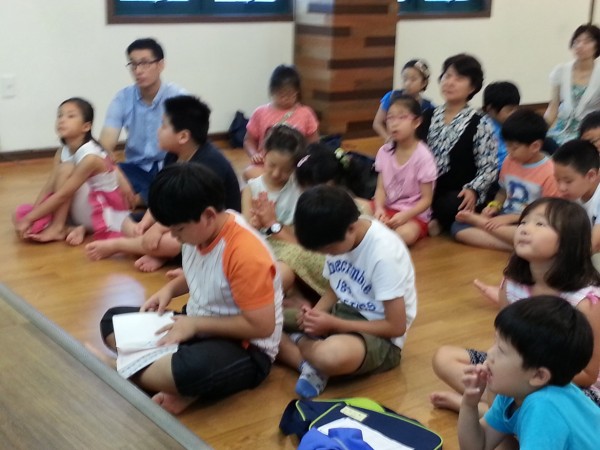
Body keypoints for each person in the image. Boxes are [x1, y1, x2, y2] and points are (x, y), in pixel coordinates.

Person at [95, 163, 283, 414]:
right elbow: (207, 273)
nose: (175, 236)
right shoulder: (199, 232)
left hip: (246, 347)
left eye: (178, 229)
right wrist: (170, 290)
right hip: (197, 324)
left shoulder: (245, 253)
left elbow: (262, 326)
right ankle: (173, 384)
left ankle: (118, 369)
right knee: (112, 320)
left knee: (190, 370)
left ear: (208, 216)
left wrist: (195, 325)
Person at [431, 198, 600, 412]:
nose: (525, 229)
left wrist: (522, 377)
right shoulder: (512, 283)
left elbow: (588, 374)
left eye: (540, 224)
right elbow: (503, 338)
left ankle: (480, 409)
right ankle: (494, 410)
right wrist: (499, 369)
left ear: (569, 240)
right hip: (516, 368)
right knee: (444, 358)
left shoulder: (586, 301)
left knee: (544, 406)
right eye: (523, 222)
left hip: (563, 383)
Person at [277, 185, 417, 398]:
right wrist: (315, 313)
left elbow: (396, 326)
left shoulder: (384, 254)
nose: (327, 254)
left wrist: (334, 324)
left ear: (351, 228)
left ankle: (301, 346)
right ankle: (310, 365)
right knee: (266, 320)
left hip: (379, 338)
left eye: (329, 250)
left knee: (330, 356)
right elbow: (336, 286)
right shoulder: (335, 234)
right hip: (340, 314)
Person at [86, 95, 241, 272]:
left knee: (172, 242)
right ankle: (157, 252)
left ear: (183, 136)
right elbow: (162, 199)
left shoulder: (208, 164)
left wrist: (159, 229)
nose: (158, 131)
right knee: (128, 222)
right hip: (179, 219)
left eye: (164, 126)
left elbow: (191, 212)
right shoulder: (173, 155)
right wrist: (145, 223)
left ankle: (120, 246)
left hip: (209, 230)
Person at [458, 296, 600, 450]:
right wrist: (469, 404)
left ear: (539, 376)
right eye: (495, 342)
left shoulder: (544, 409)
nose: (490, 354)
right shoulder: (513, 392)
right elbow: (477, 446)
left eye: (501, 350)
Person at [14, 98, 130, 245]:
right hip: (80, 207)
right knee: (19, 215)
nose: (62, 120)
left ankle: (58, 227)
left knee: (66, 169)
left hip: (101, 211)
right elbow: (49, 187)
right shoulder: (62, 151)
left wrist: (29, 218)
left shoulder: (91, 156)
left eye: (70, 116)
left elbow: (62, 195)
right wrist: (33, 217)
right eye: (60, 115)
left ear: (86, 126)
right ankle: (72, 228)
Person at [241, 125, 328, 300]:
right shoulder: (252, 189)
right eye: (271, 165)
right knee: (282, 273)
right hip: (265, 247)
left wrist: (275, 223)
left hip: (293, 242)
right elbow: (245, 231)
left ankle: (300, 296)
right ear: (264, 154)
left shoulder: (299, 186)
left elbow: (305, 231)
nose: (276, 174)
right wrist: (254, 224)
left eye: (286, 170)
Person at [453, 109, 558, 251]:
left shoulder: (550, 172)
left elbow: (547, 213)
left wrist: (511, 218)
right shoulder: (510, 161)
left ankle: (487, 227)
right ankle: (519, 246)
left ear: (535, 146)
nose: (509, 151)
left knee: (543, 237)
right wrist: (494, 206)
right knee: (457, 227)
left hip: (531, 223)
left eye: (514, 148)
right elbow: (503, 191)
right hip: (505, 218)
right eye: (507, 145)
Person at [100, 38, 187, 207]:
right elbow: (104, 146)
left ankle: (141, 199)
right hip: (135, 169)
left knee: (186, 182)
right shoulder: (122, 98)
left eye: (145, 63)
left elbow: (190, 145)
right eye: (133, 65)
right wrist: (117, 174)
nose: (138, 71)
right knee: (97, 173)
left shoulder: (179, 97)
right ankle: (151, 199)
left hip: (170, 167)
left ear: (160, 65)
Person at [419, 54, 498, 234]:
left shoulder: (480, 123)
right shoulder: (427, 116)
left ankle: (434, 219)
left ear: (472, 87)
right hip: (426, 186)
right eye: (447, 76)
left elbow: (489, 167)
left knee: (453, 204)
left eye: (459, 78)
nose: (450, 82)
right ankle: (431, 218)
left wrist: (473, 189)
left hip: (459, 190)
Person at [372, 94, 437, 246]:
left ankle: (377, 237)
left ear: (416, 122)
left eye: (402, 117)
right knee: (355, 206)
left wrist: (405, 216)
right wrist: (379, 208)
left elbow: (427, 200)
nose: (394, 124)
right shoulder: (385, 151)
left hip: (413, 215)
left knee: (405, 234)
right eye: (390, 118)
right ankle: (378, 233)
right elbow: (380, 188)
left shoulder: (424, 156)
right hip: (387, 208)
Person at [242, 64, 319, 181]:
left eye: (290, 95)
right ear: (272, 91)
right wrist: (254, 154)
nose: (285, 99)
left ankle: (278, 184)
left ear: (297, 92)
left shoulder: (306, 113)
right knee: (249, 172)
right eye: (281, 94)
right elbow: (249, 140)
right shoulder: (260, 112)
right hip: (266, 167)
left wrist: (304, 162)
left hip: (293, 168)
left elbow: (314, 144)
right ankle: (277, 184)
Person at [545, 24, 600, 145]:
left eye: (587, 42)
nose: (580, 46)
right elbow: (553, 107)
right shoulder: (561, 71)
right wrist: (539, 130)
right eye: (577, 41)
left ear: (597, 46)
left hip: (589, 132)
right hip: (561, 129)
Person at [553, 139, 600, 270]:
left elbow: (594, 244)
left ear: (591, 176)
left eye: (568, 181)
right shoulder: (573, 194)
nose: (561, 187)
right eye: (557, 180)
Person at [372, 59, 434, 141]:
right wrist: (388, 138)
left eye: (413, 79)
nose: (407, 83)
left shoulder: (428, 107)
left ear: (424, 83)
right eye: (405, 79)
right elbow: (377, 123)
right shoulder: (391, 97)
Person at [481, 81, 521, 172]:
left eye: (516, 108)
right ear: (490, 109)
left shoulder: (509, 123)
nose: (514, 113)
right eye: (509, 110)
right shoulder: (485, 128)